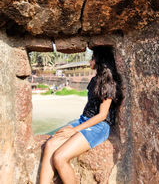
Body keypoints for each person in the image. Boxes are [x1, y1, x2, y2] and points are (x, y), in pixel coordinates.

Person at [39, 46, 122, 184]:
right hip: (83, 120)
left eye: (92, 58)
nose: (89, 61)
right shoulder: (94, 81)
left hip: (99, 126)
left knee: (60, 157)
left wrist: (74, 130)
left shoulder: (109, 84)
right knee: (50, 144)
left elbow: (102, 116)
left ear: (99, 61)